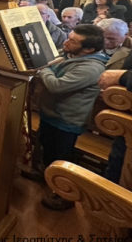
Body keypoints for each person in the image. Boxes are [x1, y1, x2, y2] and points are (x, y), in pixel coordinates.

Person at [34, 24, 108, 210]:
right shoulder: (72, 55)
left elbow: (57, 86)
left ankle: (64, 195)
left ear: (89, 49)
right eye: (69, 37)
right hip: (51, 113)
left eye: (73, 41)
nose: (66, 42)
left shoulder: (91, 68)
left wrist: (44, 68)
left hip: (66, 120)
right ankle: (46, 175)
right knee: (47, 148)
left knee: (62, 158)